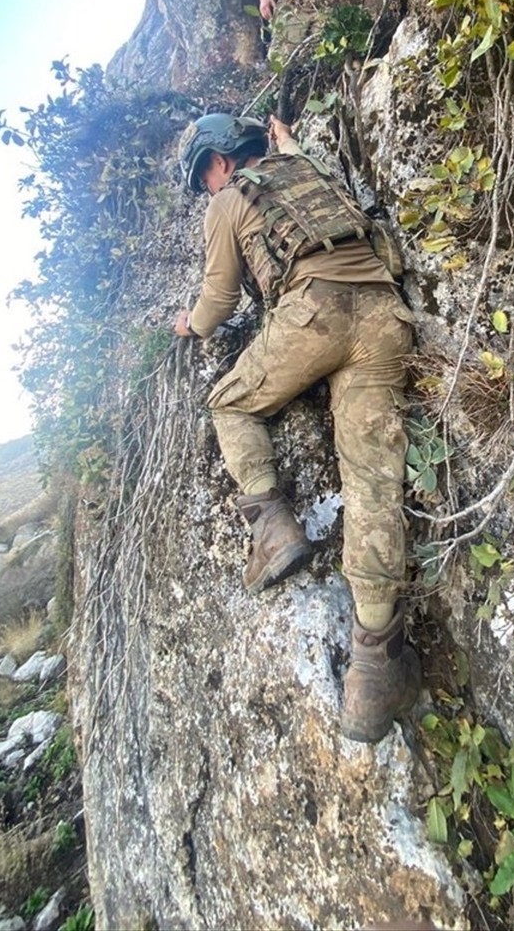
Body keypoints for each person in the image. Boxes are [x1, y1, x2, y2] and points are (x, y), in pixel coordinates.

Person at [174, 111, 420, 743]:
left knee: (230, 404)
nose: (207, 188)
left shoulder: (229, 199)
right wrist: (289, 144)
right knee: (372, 481)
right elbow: (320, 184)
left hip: (312, 315)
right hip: (387, 319)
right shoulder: (307, 169)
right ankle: (371, 671)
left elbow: (219, 299)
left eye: (204, 176)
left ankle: (272, 527)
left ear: (220, 162)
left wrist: (189, 327)